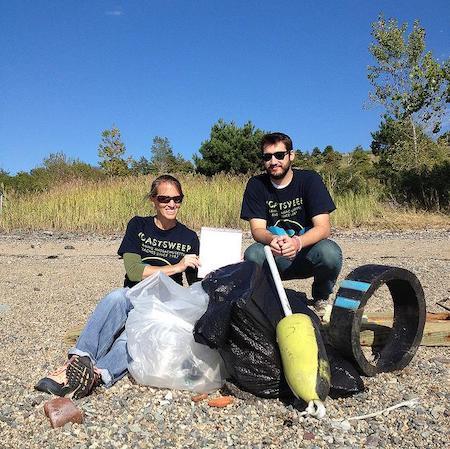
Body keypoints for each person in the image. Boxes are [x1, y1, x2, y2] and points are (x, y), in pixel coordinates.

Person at [35, 175, 200, 399]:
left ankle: (94, 375)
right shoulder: (138, 225)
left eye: (177, 199)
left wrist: (223, 268)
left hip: (162, 305)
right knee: (115, 298)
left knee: (132, 339)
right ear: (153, 199)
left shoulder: (189, 237)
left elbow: (195, 285)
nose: (172, 204)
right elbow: (134, 271)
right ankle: (76, 362)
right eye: (164, 198)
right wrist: (177, 266)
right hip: (133, 294)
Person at [240, 132, 342, 311]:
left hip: (305, 253)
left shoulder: (310, 180)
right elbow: (257, 229)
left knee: (330, 252)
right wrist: (272, 239)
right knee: (252, 255)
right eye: (267, 157)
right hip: (275, 255)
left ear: (291, 155)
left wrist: (297, 242)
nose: (273, 162)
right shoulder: (256, 185)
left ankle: (321, 297)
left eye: (279, 155)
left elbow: (323, 228)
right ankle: (268, 299)